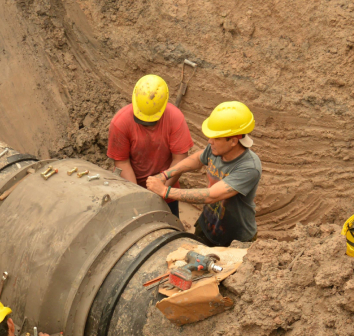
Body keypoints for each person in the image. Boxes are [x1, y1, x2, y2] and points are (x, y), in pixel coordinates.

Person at [146, 101, 261, 247]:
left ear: (233, 141)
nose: (209, 141)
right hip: (207, 227)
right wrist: (166, 175)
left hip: (235, 240)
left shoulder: (249, 167)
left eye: (216, 138)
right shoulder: (217, 149)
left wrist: (165, 191)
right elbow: (198, 158)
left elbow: (211, 195)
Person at [107, 74, 194, 218]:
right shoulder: (120, 122)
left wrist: (162, 189)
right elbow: (122, 162)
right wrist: (138, 195)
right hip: (131, 187)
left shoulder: (175, 118)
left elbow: (179, 160)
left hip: (167, 190)